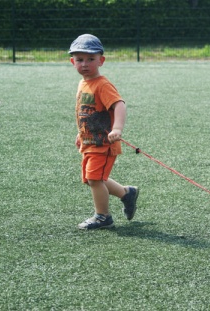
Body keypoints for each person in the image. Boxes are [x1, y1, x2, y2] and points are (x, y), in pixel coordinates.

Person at [69, 34, 138, 230]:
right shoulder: (84, 83)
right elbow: (87, 112)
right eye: (80, 59)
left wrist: (117, 128)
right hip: (89, 141)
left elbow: (119, 105)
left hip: (103, 143)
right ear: (72, 61)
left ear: (101, 60)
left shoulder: (102, 84)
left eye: (91, 59)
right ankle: (127, 193)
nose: (85, 64)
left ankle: (103, 216)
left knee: (94, 179)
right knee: (93, 178)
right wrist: (81, 133)